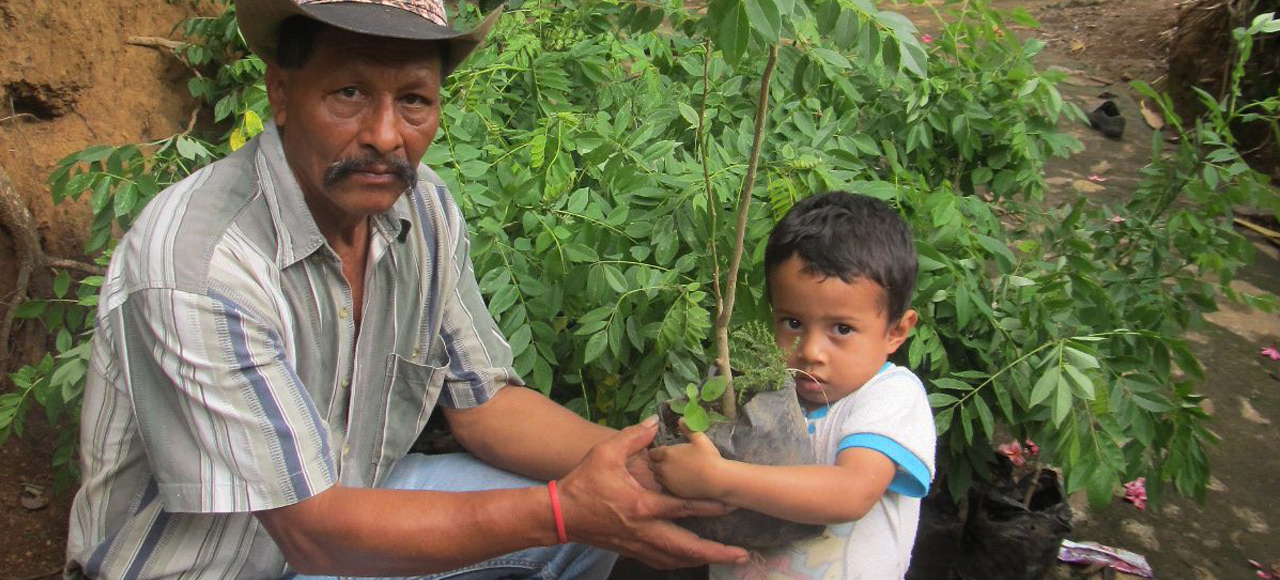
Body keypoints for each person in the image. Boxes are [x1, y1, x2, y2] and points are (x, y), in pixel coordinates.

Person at [63, 1, 750, 579]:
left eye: (414, 100)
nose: (386, 135)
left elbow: (485, 407)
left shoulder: (421, 213)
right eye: (350, 94)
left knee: (618, 521)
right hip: (220, 563)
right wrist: (565, 509)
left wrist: (649, 467)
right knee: (571, 519)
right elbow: (312, 534)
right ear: (279, 91)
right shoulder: (203, 265)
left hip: (354, 510)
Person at [650, 192, 937, 580]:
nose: (811, 351)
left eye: (842, 329)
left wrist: (719, 479)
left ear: (896, 332)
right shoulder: (759, 389)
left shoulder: (889, 396)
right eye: (793, 323)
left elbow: (851, 492)